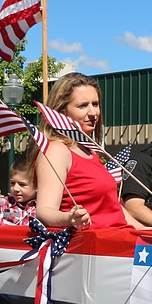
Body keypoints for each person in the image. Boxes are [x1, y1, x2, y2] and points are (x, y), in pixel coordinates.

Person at [34, 72, 138, 231]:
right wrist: (69, 218)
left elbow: (115, 211)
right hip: (93, 248)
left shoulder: (90, 151)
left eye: (95, 104)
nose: (93, 113)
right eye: (83, 106)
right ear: (62, 111)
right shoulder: (57, 150)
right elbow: (44, 210)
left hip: (121, 242)